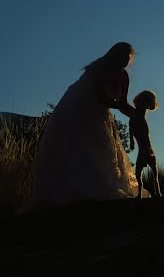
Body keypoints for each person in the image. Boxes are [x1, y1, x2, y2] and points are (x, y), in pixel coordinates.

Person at [25, 42, 140, 211]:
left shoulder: (123, 77)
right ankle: (79, 195)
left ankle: (101, 192)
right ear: (114, 55)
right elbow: (102, 99)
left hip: (99, 114)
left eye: (127, 59)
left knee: (105, 150)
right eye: (122, 57)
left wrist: (137, 115)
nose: (124, 62)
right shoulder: (97, 69)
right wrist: (124, 109)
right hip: (76, 109)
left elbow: (121, 104)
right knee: (81, 149)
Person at [128, 90, 161, 199]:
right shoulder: (137, 115)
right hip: (144, 148)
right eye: (149, 103)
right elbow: (131, 127)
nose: (149, 107)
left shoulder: (139, 115)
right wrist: (132, 140)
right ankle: (142, 193)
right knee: (141, 172)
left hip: (146, 148)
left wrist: (132, 140)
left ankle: (156, 191)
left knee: (151, 171)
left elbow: (132, 128)